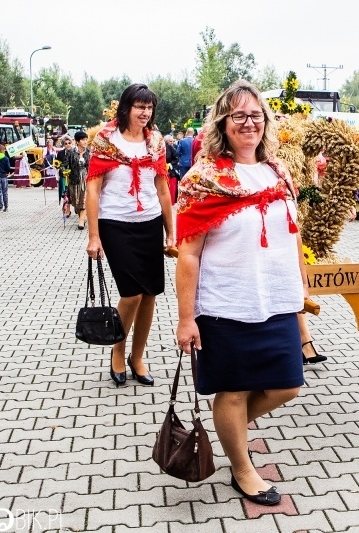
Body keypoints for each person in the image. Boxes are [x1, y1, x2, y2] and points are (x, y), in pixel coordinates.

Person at [175, 80, 306, 506]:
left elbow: (293, 231)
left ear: (265, 121)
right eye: (239, 116)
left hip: (277, 300)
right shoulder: (205, 177)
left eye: (255, 115)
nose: (249, 123)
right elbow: (188, 254)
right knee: (231, 393)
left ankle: (229, 429)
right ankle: (242, 467)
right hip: (226, 305)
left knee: (288, 386)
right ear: (223, 123)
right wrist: (185, 317)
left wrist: (300, 289)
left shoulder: (279, 171)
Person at [85, 83, 174, 386]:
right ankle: (118, 351)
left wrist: (171, 232)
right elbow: (93, 188)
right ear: (126, 108)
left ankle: (138, 357)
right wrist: (93, 236)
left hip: (149, 223)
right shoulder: (105, 141)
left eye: (149, 108)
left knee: (149, 295)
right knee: (132, 293)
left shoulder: (156, 143)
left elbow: (163, 189)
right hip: (115, 224)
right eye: (139, 107)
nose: (145, 112)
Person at [61, 131, 91, 230]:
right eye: (83, 140)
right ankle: (81, 216)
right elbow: (63, 165)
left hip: (86, 179)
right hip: (74, 180)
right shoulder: (71, 152)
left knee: (84, 200)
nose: (85, 142)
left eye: (86, 139)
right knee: (76, 202)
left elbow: (92, 166)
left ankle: (81, 221)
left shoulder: (89, 152)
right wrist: (64, 171)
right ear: (77, 141)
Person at [0, 144, 12, 212]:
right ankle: (6, 207)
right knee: (5, 192)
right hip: (4, 176)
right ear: (2, 150)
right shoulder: (6, 158)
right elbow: (8, 168)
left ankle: (0, 206)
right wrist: (8, 171)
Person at [164, 134, 179, 204]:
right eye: (170, 141)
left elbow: (176, 158)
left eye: (172, 141)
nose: (172, 142)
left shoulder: (171, 148)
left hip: (170, 171)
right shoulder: (161, 147)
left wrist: (170, 164)